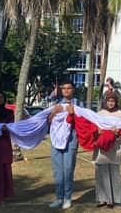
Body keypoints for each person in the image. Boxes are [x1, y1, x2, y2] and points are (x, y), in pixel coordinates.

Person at [47, 80, 77, 209]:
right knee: (57, 172)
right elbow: (47, 121)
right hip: (55, 142)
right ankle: (59, 198)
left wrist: (72, 114)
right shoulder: (55, 104)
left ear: (73, 90)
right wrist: (54, 112)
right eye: (63, 88)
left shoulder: (79, 104)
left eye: (68, 88)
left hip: (71, 141)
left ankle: (67, 198)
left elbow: (83, 123)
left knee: (68, 170)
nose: (66, 90)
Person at [94, 92, 121, 208]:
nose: (111, 103)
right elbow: (95, 126)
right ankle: (102, 199)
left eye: (113, 101)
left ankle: (113, 199)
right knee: (101, 172)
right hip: (102, 146)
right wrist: (98, 130)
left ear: (116, 102)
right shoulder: (100, 113)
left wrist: (117, 132)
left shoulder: (120, 113)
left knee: (114, 172)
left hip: (114, 145)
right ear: (105, 102)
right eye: (109, 101)